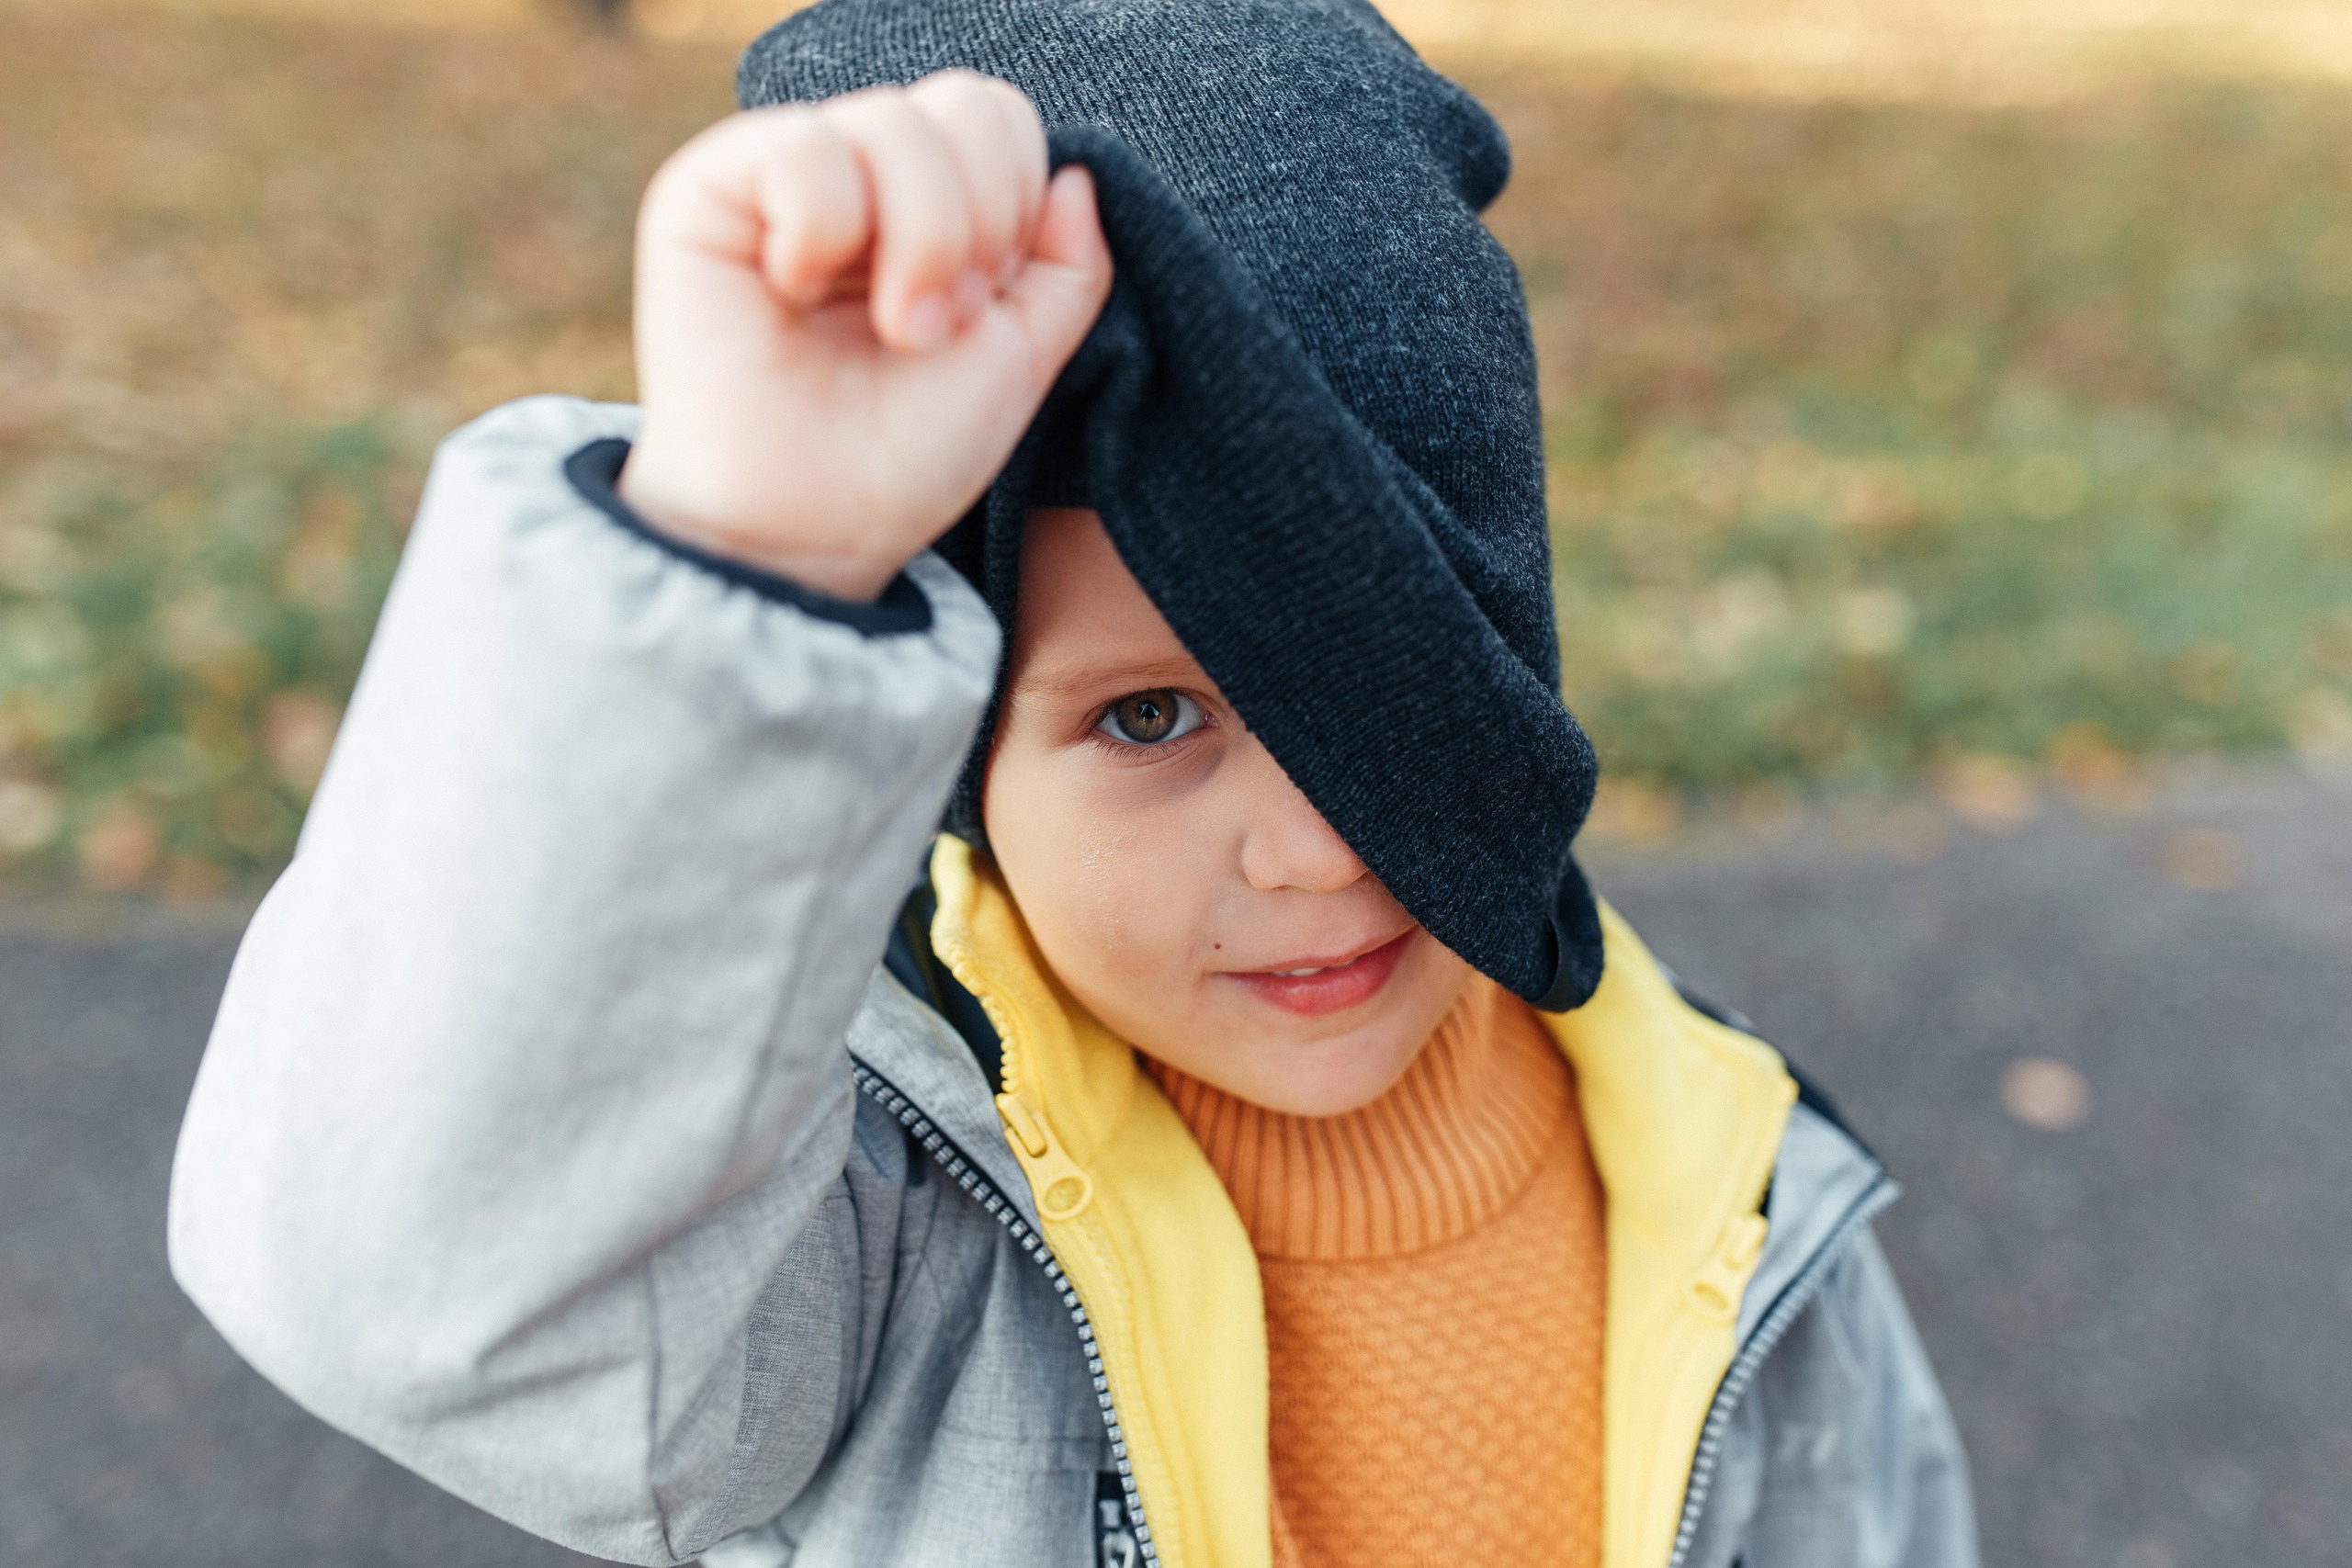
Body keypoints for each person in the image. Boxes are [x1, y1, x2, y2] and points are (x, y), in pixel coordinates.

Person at [167, 2, 1977, 1565]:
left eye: (1381, 685)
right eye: (1144, 721)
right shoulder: (860, 1224)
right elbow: (428, 1296)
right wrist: (747, 560)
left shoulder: (1736, 1181)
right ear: (954, 759)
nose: (1319, 841)